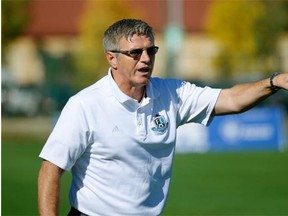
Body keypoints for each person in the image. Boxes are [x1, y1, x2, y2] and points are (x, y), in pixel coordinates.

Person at [38, 18, 288, 216]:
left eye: (151, 50)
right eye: (135, 53)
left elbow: (231, 99)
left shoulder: (172, 93)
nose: (146, 59)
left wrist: (274, 81)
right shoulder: (85, 105)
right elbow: (51, 169)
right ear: (112, 58)